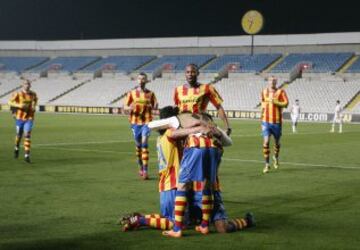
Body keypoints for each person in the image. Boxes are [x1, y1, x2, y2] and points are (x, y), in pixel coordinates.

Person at [120, 106, 255, 234]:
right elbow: (174, 131)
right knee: (177, 222)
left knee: (187, 220)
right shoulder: (171, 134)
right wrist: (198, 127)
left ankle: (142, 218)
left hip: (180, 187)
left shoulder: (165, 138)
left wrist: (212, 133)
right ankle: (141, 220)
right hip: (173, 186)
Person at [173, 64, 231, 135]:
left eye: (193, 72)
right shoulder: (178, 90)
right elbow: (176, 108)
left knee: (219, 141)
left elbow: (218, 107)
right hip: (183, 126)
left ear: (197, 73)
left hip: (200, 124)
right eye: (187, 72)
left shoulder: (207, 88)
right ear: (185, 74)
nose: (190, 74)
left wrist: (227, 126)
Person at [124, 72, 158, 180]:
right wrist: (129, 108)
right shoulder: (131, 93)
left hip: (147, 122)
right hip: (135, 123)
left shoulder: (151, 94)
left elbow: (155, 104)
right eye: (139, 78)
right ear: (137, 80)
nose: (141, 80)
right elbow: (125, 106)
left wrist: (155, 106)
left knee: (144, 144)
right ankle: (141, 167)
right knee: (138, 146)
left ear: (146, 81)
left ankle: (145, 171)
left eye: (143, 79)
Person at [260, 76, 289, 173]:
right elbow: (263, 104)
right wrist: (261, 117)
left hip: (277, 122)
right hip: (266, 121)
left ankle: (275, 157)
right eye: (270, 80)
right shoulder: (263, 92)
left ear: (276, 82)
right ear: (268, 82)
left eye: (274, 81)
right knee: (266, 142)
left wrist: (276, 102)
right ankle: (267, 165)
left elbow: (286, 103)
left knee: (277, 143)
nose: (272, 82)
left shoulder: (281, 92)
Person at [8, 80, 38, 163]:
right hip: (19, 118)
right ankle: (16, 147)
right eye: (25, 84)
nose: (27, 85)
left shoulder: (33, 94)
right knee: (19, 135)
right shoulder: (18, 94)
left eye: (28, 84)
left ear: (30, 85)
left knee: (27, 135)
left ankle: (27, 155)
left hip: (29, 118)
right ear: (22, 85)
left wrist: (33, 106)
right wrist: (19, 105)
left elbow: (35, 100)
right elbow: (9, 102)